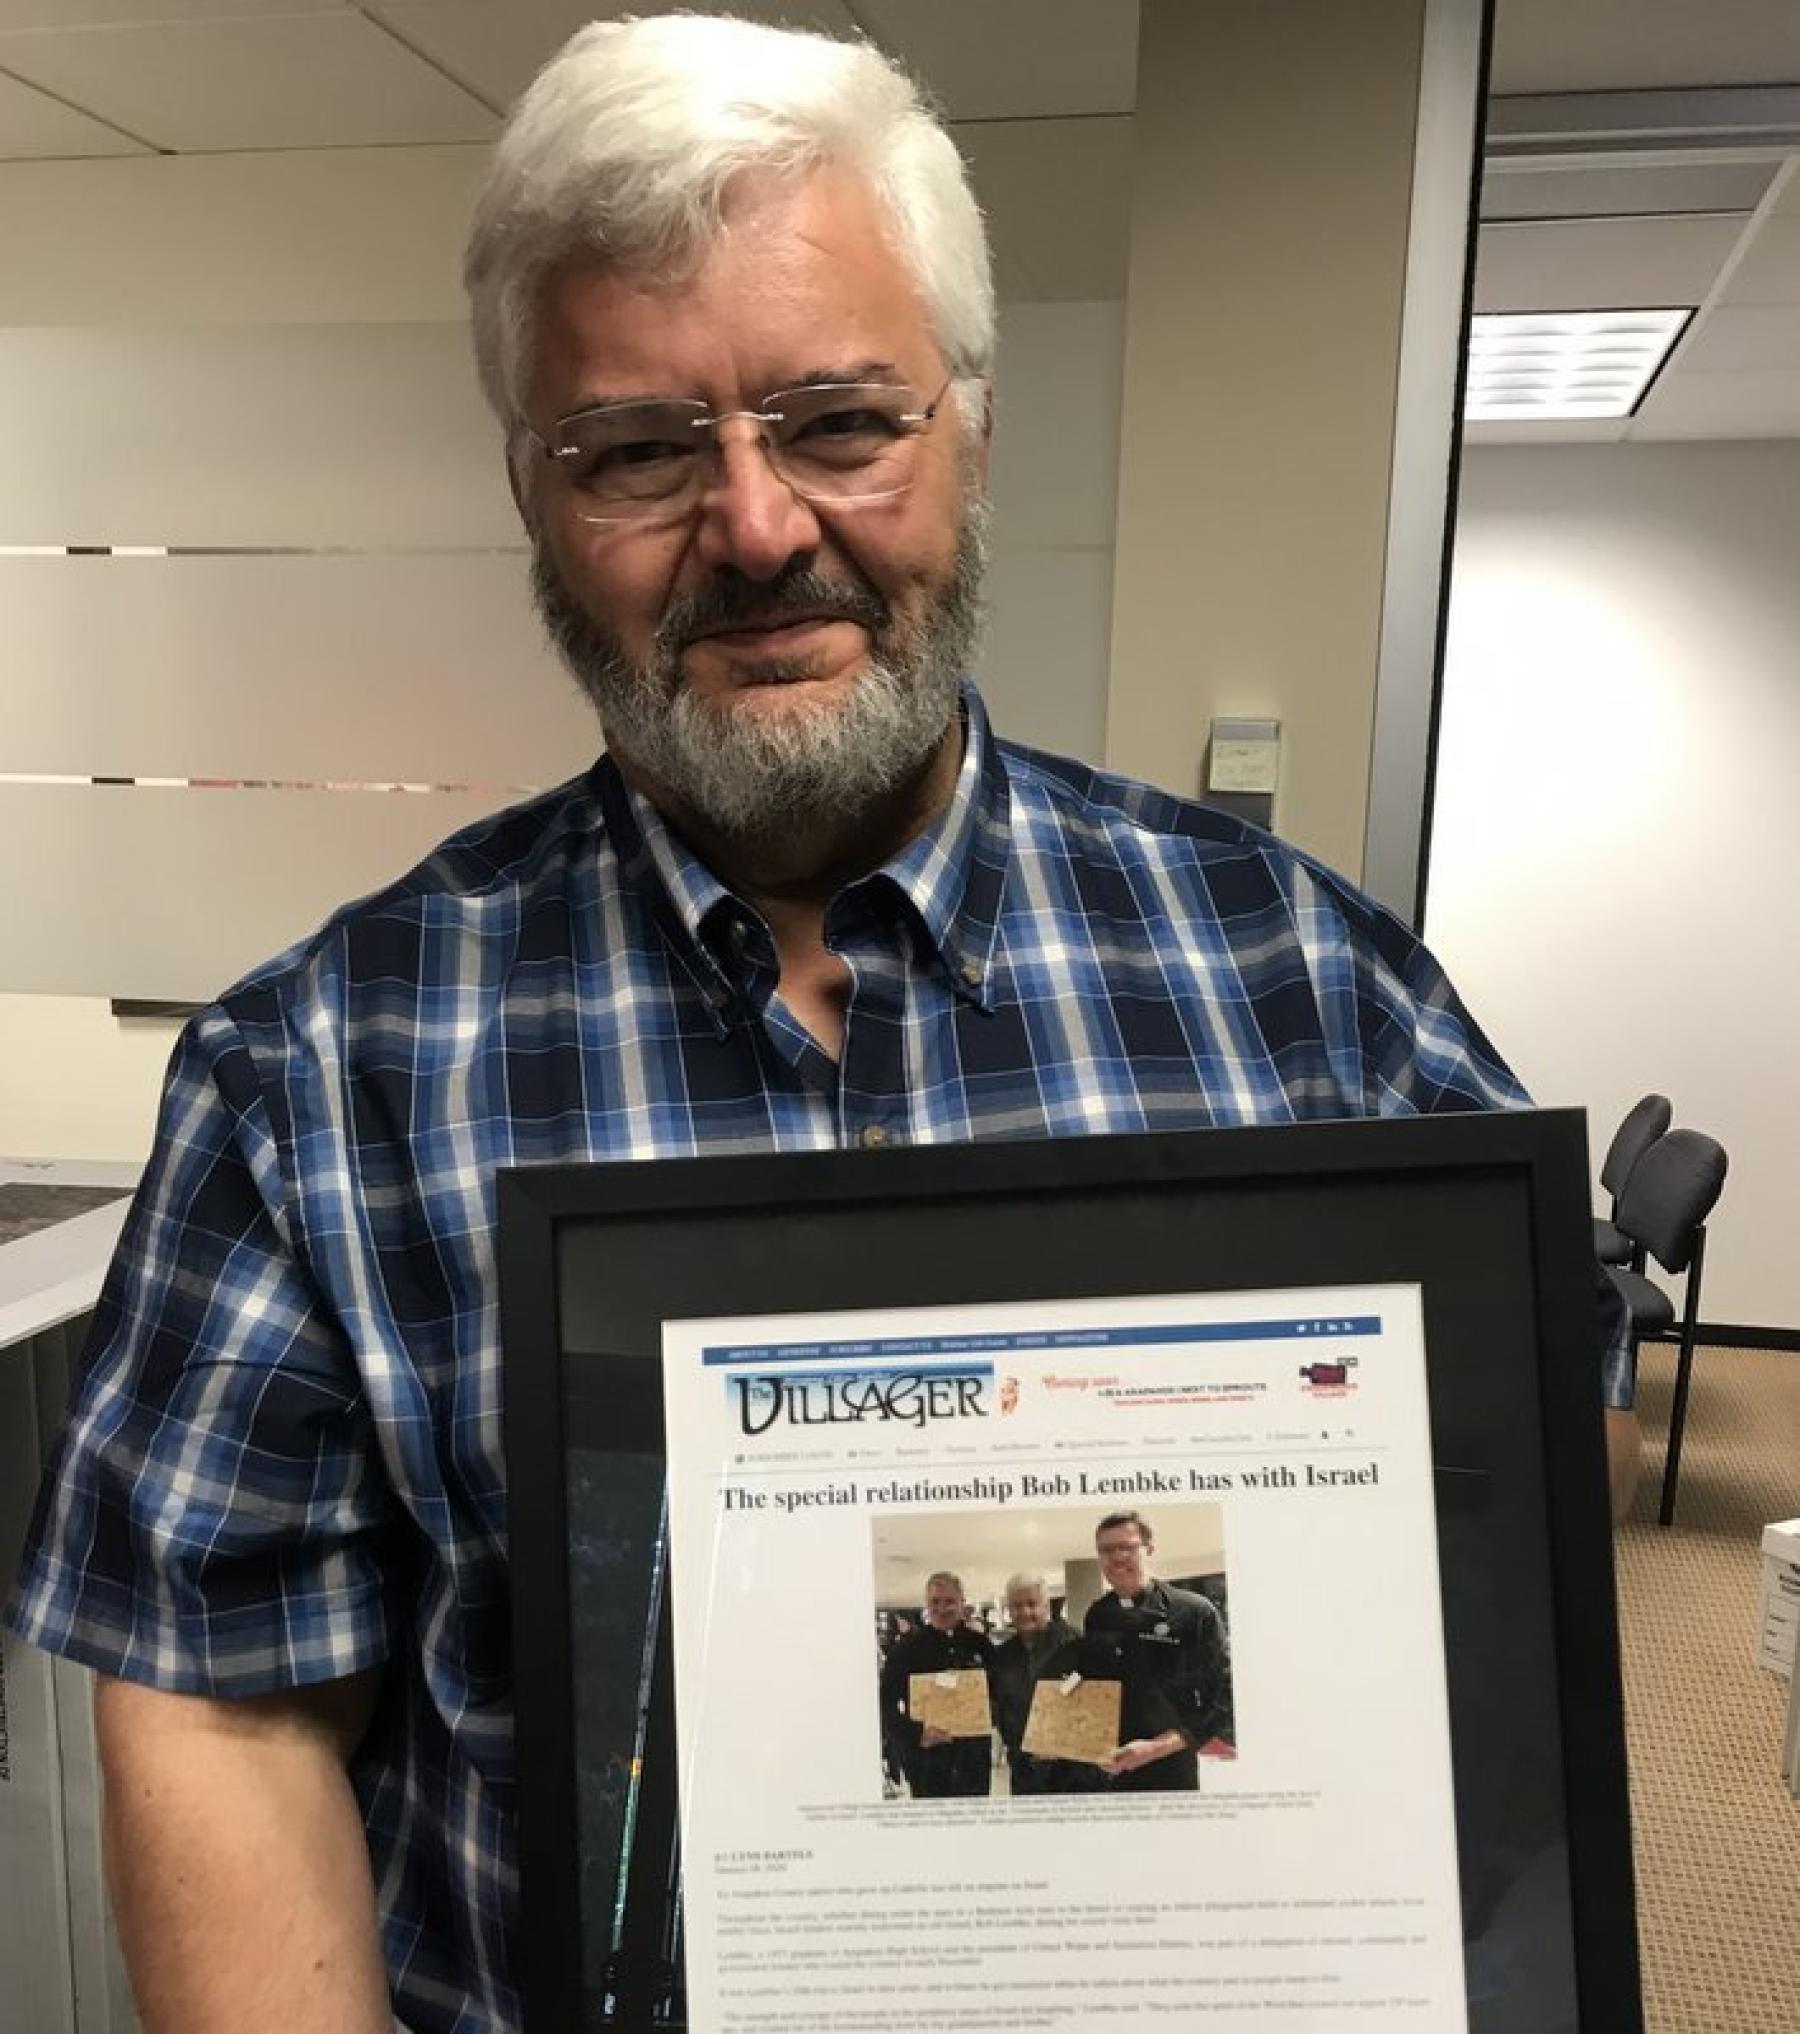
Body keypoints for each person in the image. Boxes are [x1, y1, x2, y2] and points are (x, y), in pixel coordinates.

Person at [3, 15, 1635, 2031]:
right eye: (641, 450)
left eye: (840, 422)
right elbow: (224, 1715)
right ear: (536, 492)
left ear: (968, 426)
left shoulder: (1305, 987)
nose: (759, 528)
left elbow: (1506, 1546)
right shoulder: (318, 1080)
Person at [1082, 1512, 1232, 1792]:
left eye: (1126, 1547)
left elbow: (1224, 1698)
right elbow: (1093, 1686)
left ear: (1149, 1549)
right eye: (1106, 1549)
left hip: (1172, 1767)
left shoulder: (1194, 1611)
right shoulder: (1098, 1615)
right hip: (1109, 1766)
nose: (1116, 1557)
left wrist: (1158, 1747)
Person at [878, 1571, 997, 1798]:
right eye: (935, 1602)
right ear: (927, 1605)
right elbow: (885, 1704)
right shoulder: (906, 1650)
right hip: (926, 1762)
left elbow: (999, 1690)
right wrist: (916, 1734)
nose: (942, 1609)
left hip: (973, 1761)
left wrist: (991, 1712)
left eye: (950, 1601)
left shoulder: (981, 1645)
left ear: (962, 1604)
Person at [990, 1571, 1100, 1795]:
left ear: (1046, 1606)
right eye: (1016, 1606)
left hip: (1075, 1771)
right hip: (1025, 1771)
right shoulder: (1001, 1656)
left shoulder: (1076, 1644)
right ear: (1008, 1610)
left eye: (1032, 1604)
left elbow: (1097, 1703)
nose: (1024, 1612)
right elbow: (998, 1708)